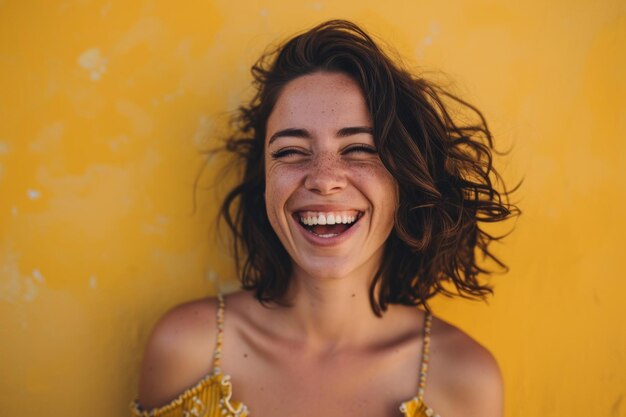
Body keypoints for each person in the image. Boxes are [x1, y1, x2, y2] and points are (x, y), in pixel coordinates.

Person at [131, 20, 517, 417]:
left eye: (359, 148)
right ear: (264, 180)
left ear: (404, 177)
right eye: (290, 151)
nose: (324, 179)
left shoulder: (464, 380)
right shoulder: (185, 350)